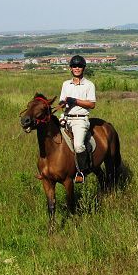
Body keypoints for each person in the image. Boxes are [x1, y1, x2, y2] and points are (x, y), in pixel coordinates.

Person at [59, 55, 96, 183]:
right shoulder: (65, 84)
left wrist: (75, 101)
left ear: (83, 68)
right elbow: (62, 102)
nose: (77, 68)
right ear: (70, 68)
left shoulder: (89, 85)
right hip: (66, 117)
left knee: (78, 145)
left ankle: (81, 171)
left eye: (79, 66)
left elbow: (91, 104)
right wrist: (63, 103)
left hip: (80, 120)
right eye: (74, 66)